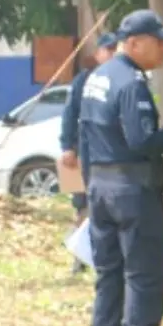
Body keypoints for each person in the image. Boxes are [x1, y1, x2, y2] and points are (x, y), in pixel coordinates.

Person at [79, 10, 163, 326]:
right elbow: (141, 141)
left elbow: (86, 137)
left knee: (109, 276)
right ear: (134, 42)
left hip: (102, 189)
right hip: (132, 191)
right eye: (159, 41)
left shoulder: (97, 78)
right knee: (143, 275)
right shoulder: (130, 83)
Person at [60, 32, 119, 270]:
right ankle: (79, 256)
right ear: (98, 54)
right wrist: (67, 146)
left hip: (110, 155)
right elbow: (69, 115)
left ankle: (105, 254)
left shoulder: (124, 80)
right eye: (109, 50)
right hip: (84, 153)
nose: (113, 54)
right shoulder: (83, 81)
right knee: (82, 205)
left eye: (117, 49)